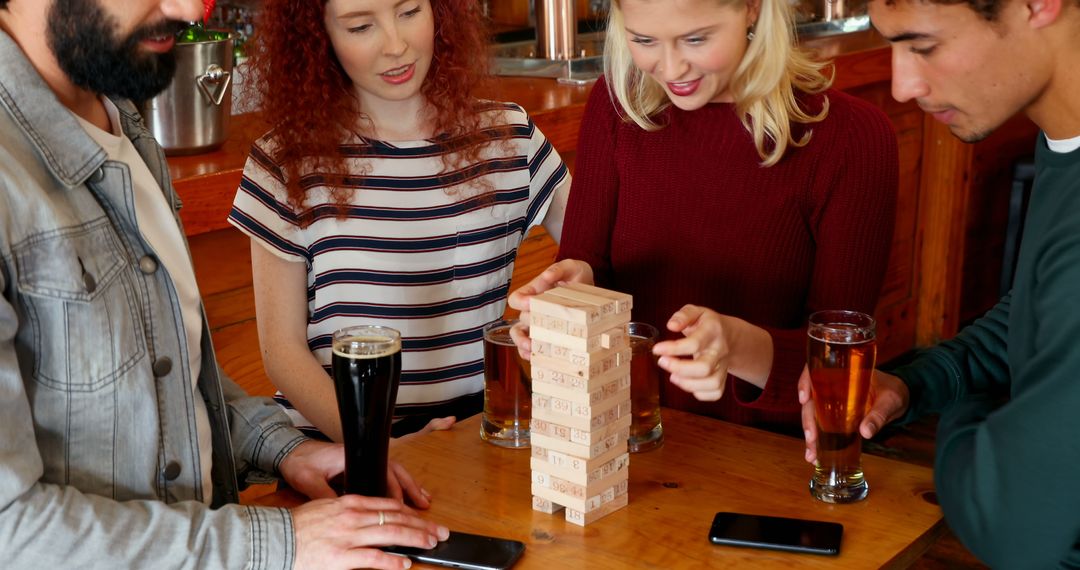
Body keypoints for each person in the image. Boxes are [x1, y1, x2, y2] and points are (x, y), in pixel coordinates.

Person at [0, 0, 448, 568]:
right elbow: (10, 529)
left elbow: (166, 383)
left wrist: (286, 449)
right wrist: (281, 543)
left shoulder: (123, 121)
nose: (190, 10)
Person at [509, 0, 898, 433]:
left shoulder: (852, 138)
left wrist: (735, 346)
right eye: (644, 40)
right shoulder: (616, 103)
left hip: (772, 454)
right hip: (624, 441)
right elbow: (589, 264)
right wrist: (568, 296)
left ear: (752, 9)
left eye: (695, 39)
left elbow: (836, 360)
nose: (671, 68)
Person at [798, 0, 1080, 565]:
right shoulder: (1064, 143)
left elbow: (1010, 525)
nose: (902, 85)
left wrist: (969, 421)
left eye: (924, 46)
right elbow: (1036, 311)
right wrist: (917, 382)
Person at [228, 0, 570, 442]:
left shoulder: (510, 138)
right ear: (318, 37)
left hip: (478, 443)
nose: (396, 45)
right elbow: (282, 352)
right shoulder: (285, 162)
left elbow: (597, 254)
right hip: (339, 448)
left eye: (409, 12)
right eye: (360, 26)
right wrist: (378, 449)